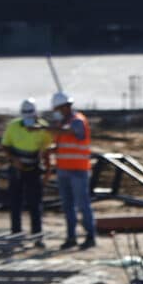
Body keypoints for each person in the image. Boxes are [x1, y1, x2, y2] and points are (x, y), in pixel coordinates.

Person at [48, 91, 95, 249]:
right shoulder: (62, 124)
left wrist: (47, 129)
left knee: (82, 204)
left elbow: (73, 133)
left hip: (78, 170)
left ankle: (90, 236)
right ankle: (71, 237)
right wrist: (51, 150)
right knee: (68, 206)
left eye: (59, 109)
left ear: (66, 107)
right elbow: (63, 144)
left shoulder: (77, 121)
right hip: (63, 170)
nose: (58, 112)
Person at [0, 98, 53, 238]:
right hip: (16, 170)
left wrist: (48, 171)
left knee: (35, 202)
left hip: (34, 170)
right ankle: (16, 232)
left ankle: (37, 233)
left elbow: (47, 151)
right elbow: (5, 145)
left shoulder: (43, 128)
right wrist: (14, 159)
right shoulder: (13, 126)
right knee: (15, 201)